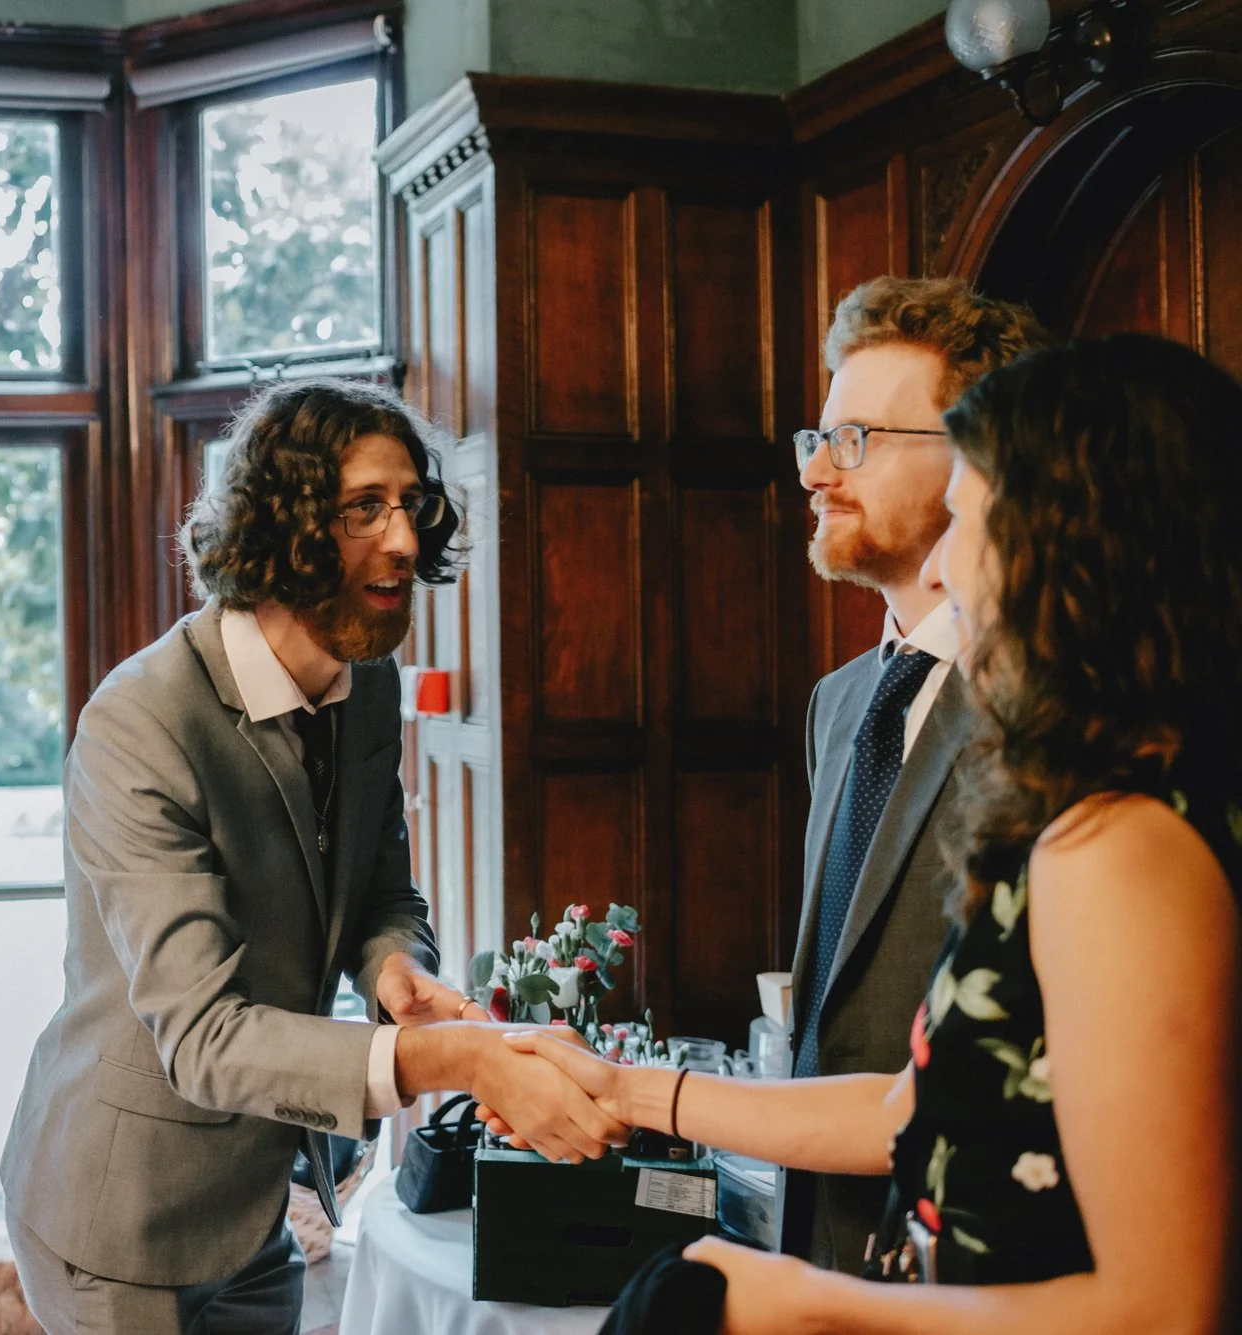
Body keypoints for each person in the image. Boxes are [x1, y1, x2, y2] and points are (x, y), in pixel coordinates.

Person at [496, 334, 1239, 1333]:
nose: (939, 567)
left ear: (1070, 552)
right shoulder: (1092, 813)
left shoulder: (1120, 845)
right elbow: (912, 1109)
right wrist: (628, 1088)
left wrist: (811, 1306)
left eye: (967, 524)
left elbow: (1159, 1311)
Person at [0, 378, 622, 1335]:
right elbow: (203, 1037)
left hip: (264, 1207)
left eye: (411, 505)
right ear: (278, 525)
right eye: (364, 508)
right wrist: (459, 1055)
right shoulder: (141, 722)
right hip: (116, 1225)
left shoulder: (369, 688)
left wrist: (395, 968)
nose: (407, 541)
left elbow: (379, 886)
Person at [785, 276, 1051, 1272]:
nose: (817, 472)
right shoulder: (839, 703)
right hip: (816, 1236)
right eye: (816, 439)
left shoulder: (1048, 709)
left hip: (971, 1256)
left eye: (854, 440)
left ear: (976, 458)